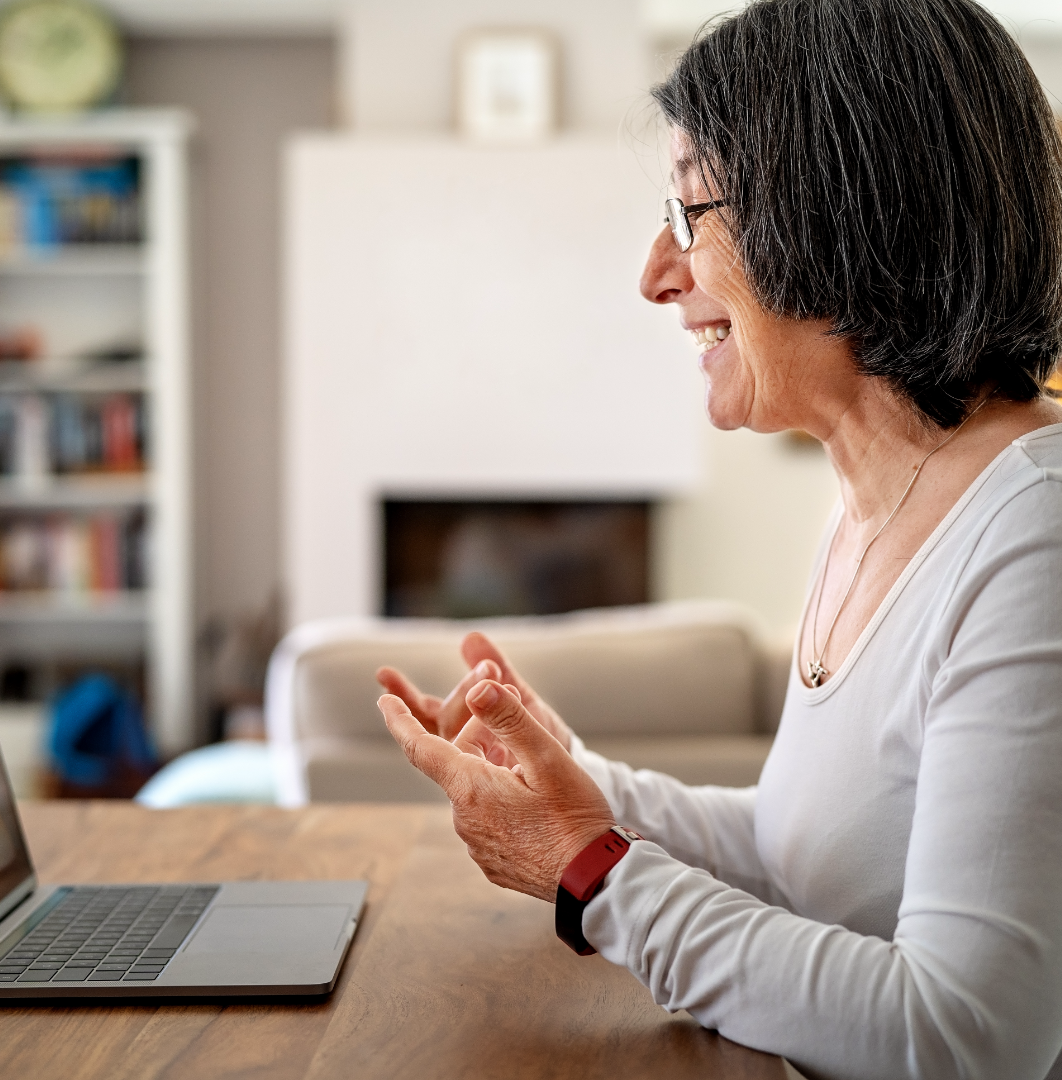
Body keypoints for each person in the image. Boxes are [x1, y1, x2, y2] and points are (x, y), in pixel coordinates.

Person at [375, 1, 1062, 1077]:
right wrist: (578, 790)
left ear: (845, 215)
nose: (657, 271)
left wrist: (592, 874)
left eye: (693, 212)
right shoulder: (870, 505)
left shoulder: (1038, 537)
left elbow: (967, 1036)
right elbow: (807, 854)